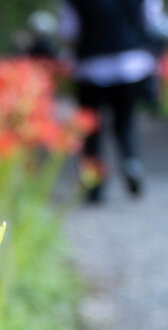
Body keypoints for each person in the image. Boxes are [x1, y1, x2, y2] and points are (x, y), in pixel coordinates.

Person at [60, 0, 168, 202]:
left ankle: (94, 185)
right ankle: (130, 161)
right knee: (124, 122)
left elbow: (69, 31)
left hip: (90, 67)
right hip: (130, 64)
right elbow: (152, 20)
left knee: (92, 130)